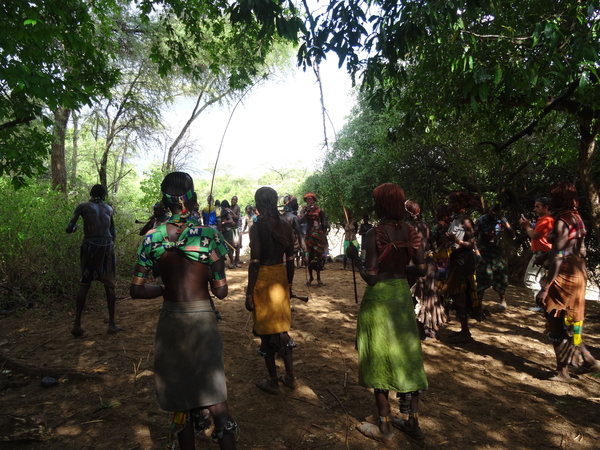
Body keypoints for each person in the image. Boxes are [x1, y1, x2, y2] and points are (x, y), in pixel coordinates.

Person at [129, 172, 237, 450]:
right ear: (192, 198)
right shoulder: (209, 236)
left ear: (165, 201)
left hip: (171, 322)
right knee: (215, 396)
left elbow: (137, 290)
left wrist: (166, 290)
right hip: (202, 321)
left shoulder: (151, 238)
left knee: (180, 398)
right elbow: (221, 291)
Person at [346, 183, 427, 442]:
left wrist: (355, 258)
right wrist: (401, 270)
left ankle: (384, 427)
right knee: (408, 354)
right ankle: (412, 422)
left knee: (379, 356)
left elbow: (370, 277)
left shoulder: (374, 234)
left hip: (379, 299)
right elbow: (422, 269)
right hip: (402, 297)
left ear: (380, 205)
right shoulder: (411, 231)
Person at [535, 181, 600, 381]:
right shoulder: (576, 218)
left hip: (564, 276)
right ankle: (589, 361)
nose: (550, 200)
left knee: (556, 322)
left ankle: (562, 372)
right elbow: (577, 249)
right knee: (570, 323)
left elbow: (559, 256)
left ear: (559, 198)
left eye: (553, 196)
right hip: (577, 272)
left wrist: (546, 287)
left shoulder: (562, 221)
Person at [245, 187, 297, 395]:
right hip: (281, 278)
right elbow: (291, 260)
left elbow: (255, 262)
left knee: (266, 333)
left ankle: (274, 381)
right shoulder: (286, 226)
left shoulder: (257, 227)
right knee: (282, 329)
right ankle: (291, 377)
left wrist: (249, 293)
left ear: (259, 204)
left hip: (264, 280)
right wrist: (289, 286)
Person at [66, 184, 120, 337]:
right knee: (110, 285)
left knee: (85, 283)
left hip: (90, 246)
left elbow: (69, 228)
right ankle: (111, 324)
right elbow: (113, 232)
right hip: (107, 246)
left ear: (91, 193)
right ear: (104, 195)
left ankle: (76, 324)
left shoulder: (82, 206)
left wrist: (75, 227)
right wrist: (109, 247)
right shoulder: (109, 209)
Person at [442, 191, 481, 343]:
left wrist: (456, 242)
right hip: (456, 260)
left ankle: (465, 333)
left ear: (460, 205)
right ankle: (464, 331)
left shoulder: (465, 221)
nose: (449, 205)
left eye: (452, 202)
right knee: (457, 296)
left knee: (461, 295)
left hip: (464, 262)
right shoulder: (455, 219)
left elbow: (472, 243)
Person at [405, 200, 446, 339]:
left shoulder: (406, 227)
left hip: (414, 265)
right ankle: (432, 329)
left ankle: (420, 331)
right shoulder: (426, 225)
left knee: (416, 296)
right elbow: (434, 246)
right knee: (430, 295)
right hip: (429, 264)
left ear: (407, 212)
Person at [475, 203, 515, 310]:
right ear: (489, 209)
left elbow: (512, 233)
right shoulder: (480, 220)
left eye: (497, 211)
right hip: (483, 249)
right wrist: (478, 255)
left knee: (501, 274)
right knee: (482, 275)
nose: (494, 213)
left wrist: (504, 220)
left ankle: (502, 300)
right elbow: (473, 238)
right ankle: (478, 303)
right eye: (493, 210)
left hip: (495, 250)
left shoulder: (501, 220)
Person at [518, 197, 554, 312]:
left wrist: (526, 227)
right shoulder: (542, 219)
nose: (535, 209)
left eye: (538, 206)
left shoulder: (547, 220)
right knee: (542, 281)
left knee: (530, 280)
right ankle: (546, 304)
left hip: (542, 254)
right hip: (541, 253)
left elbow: (535, 235)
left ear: (546, 207)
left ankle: (542, 304)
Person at [299, 192, 328, 286]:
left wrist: (324, 233)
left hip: (318, 234)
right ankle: (311, 277)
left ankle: (319, 278)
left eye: (311, 199)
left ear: (313, 200)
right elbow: (300, 221)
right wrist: (306, 212)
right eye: (307, 199)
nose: (309, 200)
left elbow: (323, 221)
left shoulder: (319, 209)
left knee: (318, 258)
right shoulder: (303, 209)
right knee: (310, 257)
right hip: (309, 235)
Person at [281, 195, 307, 268]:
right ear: (292, 204)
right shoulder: (294, 217)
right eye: (296, 203)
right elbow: (299, 234)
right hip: (291, 242)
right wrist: (302, 243)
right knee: (290, 260)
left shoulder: (280, 217)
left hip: (281, 243)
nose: (297, 205)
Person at [220, 199, 237, 269]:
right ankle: (223, 263)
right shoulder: (220, 211)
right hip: (223, 231)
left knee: (229, 247)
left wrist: (225, 222)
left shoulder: (227, 212)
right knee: (222, 247)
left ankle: (232, 262)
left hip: (228, 231)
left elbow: (231, 220)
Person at [230, 196, 243, 267]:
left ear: (236, 201)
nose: (233, 201)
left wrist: (231, 212)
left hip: (235, 228)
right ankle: (232, 261)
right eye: (232, 199)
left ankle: (237, 260)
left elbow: (237, 217)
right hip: (230, 228)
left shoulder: (237, 207)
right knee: (231, 244)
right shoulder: (230, 207)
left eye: (234, 200)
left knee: (237, 245)